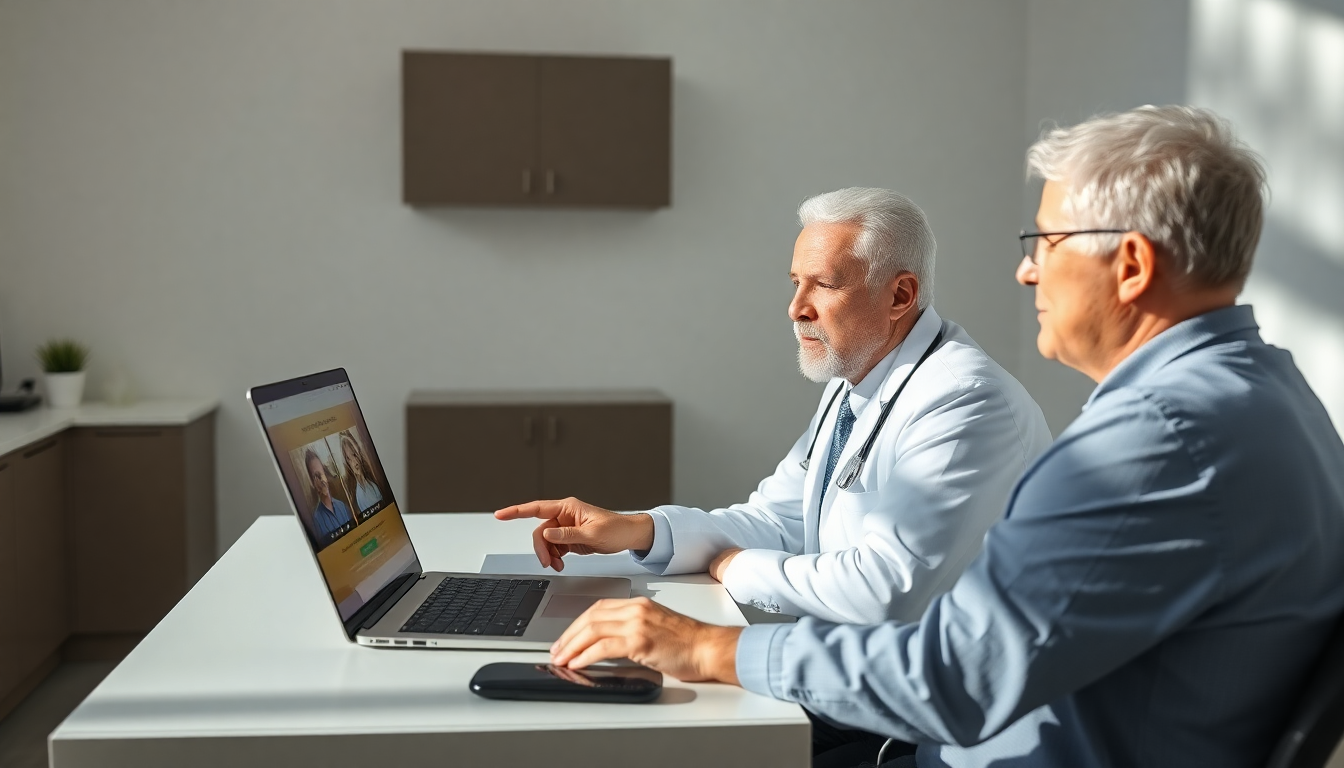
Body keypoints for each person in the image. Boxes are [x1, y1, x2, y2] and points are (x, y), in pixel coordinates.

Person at [538, 106, 1344, 768]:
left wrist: (710, 649)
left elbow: (955, 674)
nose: (1027, 272)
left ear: (1130, 265)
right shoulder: (1270, 396)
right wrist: (656, 537)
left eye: (1044, 244)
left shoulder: (1150, 444)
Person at [499, 188, 1049, 631]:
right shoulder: (855, 379)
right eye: (795, 284)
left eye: (824, 286)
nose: (795, 309)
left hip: (915, 727)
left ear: (900, 297)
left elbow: (887, 593)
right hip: (846, 673)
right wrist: (639, 530)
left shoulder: (964, 402)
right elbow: (777, 520)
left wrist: (738, 568)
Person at [305, 448, 353, 544]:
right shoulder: (316, 521)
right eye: (316, 476)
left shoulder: (343, 507)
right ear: (312, 483)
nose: (322, 480)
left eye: (322, 473)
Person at [340, 431, 383, 513]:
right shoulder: (360, 495)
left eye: (354, 454)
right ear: (347, 463)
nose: (354, 462)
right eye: (349, 459)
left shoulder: (372, 476)